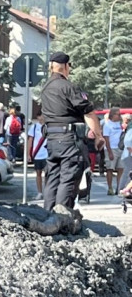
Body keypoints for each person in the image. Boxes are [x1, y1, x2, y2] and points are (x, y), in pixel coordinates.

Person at [40, 51, 104, 212]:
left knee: (53, 178)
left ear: (51, 67)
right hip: (69, 139)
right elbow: (88, 112)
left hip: (52, 139)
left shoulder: (46, 87)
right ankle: (62, 217)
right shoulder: (69, 87)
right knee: (68, 178)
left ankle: (48, 214)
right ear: (66, 67)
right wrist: (98, 136)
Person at [102, 106, 124, 195]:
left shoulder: (119, 124)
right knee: (110, 169)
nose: (119, 116)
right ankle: (110, 187)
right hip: (111, 149)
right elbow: (106, 139)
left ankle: (119, 187)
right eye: (118, 114)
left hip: (120, 148)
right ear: (112, 115)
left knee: (121, 168)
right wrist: (110, 152)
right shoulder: (107, 125)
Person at [28, 113, 48, 199]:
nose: (41, 118)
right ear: (37, 117)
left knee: (48, 174)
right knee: (38, 173)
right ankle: (40, 192)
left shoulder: (48, 126)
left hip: (47, 153)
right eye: (39, 116)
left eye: (43, 116)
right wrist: (28, 154)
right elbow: (30, 140)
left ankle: (48, 192)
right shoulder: (34, 127)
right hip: (37, 154)